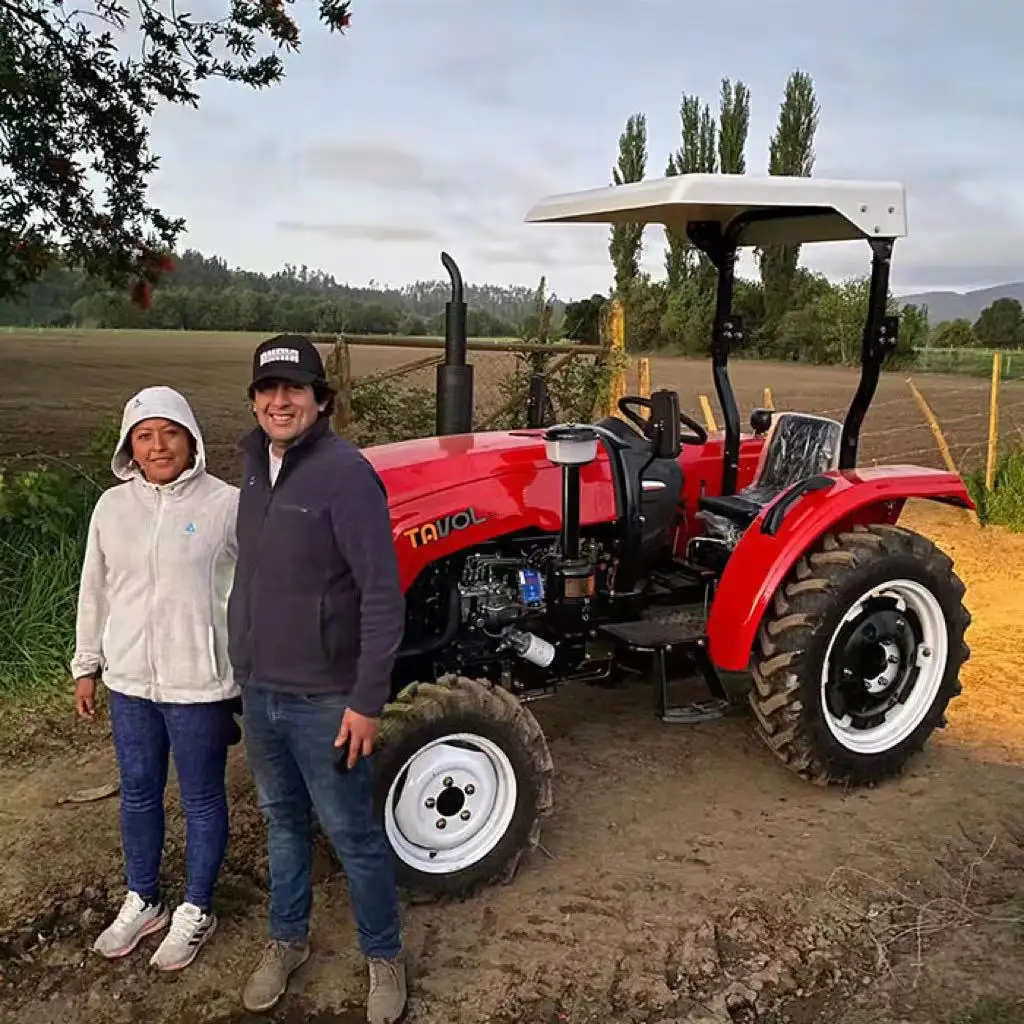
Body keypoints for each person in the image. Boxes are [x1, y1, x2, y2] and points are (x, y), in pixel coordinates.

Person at [227, 335, 407, 1022]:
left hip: (325, 697)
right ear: (255, 400)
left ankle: (384, 956)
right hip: (262, 686)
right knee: (280, 823)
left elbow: (381, 594)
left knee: (351, 831)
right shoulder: (249, 465)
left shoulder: (344, 473)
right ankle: (287, 939)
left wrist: (366, 700)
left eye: (295, 390)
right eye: (268, 390)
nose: (280, 401)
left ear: (320, 400)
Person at [71, 385, 241, 972]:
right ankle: (144, 898)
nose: (158, 445)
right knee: (139, 791)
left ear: (191, 438)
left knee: (200, 798)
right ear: (130, 447)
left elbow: (256, 591)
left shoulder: (226, 504)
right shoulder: (112, 509)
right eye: (145, 436)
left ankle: (197, 907)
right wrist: (87, 664)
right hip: (130, 681)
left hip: (200, 683)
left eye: (170, 432)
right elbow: (94, 590)